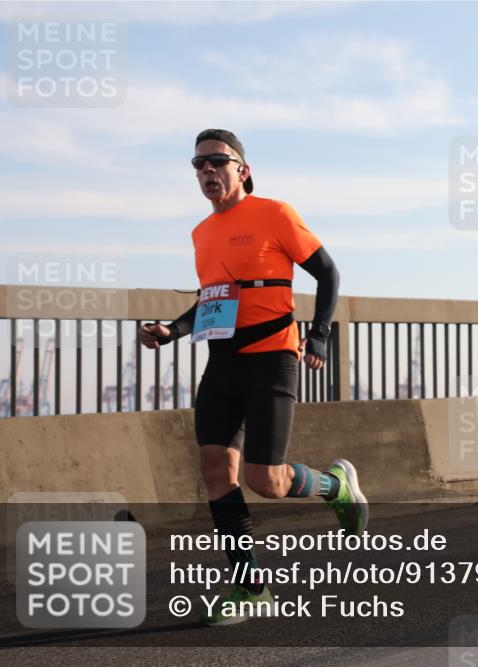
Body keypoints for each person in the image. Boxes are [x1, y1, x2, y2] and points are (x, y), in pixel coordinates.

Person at [138, 129, 367, 626]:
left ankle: (336, 486)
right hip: (222, 363)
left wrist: (321, 334)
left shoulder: (275, 214)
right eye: (197, 165)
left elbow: (327, 273)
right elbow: (210, 300)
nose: (206, 172)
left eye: (216, 161)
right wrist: (170, 331)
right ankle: (250, 586)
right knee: (216, 471)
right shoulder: (201, 233)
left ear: (241, 169)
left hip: (272, 359)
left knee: (268, 482)